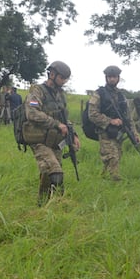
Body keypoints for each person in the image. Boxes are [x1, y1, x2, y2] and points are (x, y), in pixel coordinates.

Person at [24, 61, 81, 205]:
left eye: (66, 79)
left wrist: (73, 135)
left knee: (48, 174)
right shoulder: (37, 91)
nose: (64, 82)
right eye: (62, 78)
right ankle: (57, 202)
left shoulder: (60, 95)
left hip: (54, 140)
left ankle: (43, 205)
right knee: (55, 172)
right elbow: (32, 113)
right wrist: (56, 124)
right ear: (52, 74)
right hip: (39, 138)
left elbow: (64, 118)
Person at [87, 65, 140, 181]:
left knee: (117, 156)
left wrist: (135, 133)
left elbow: (129, 118)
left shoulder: (121, 96)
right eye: (110, 77)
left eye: (114, 77)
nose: (112, 79)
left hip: (118, 133)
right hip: (105, 132)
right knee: (112, 157)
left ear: (118, 78)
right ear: (106, 78)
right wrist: (110, 121)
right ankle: (116, 182)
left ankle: (104, 181)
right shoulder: (99, 94)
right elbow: (92, 114)